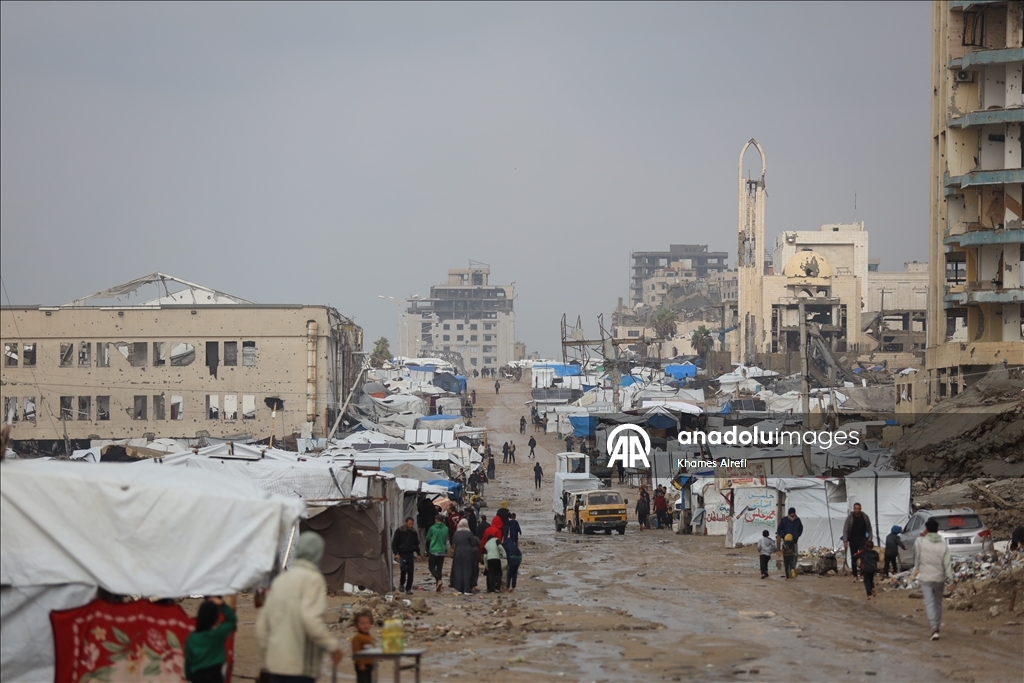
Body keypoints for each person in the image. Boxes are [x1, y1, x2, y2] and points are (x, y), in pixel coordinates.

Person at [255, 532, 343, 682]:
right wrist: (332, 646)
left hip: (276, 666)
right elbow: (310, 619)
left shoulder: (280, 581)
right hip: (300, 668)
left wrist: (269, 655)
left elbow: (262, 626)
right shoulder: (313, 580)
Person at [914, 517, 954, 641]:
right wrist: (950, 579)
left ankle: (933, 628)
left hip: (926, 577)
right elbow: (947, 563)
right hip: (939, 577)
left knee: (929, 603)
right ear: (937, 530)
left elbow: (917, 557)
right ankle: (937, 625)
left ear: (926, 529)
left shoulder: (920, 541)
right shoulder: (942, 542)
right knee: (938, 603)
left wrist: (916, 569)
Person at [185, 597, 237, 683]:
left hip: (197, 676)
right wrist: (222, 604)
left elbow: (188, 661)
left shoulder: (192, 637)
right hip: (214, 675)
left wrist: (189, 676)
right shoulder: (217, 634)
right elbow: (231, 620)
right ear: (215, 618)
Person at [843, 503, 873, 581]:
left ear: (861, 508)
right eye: (856, 508)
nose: (857, 510)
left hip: (862, 540)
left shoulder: (865, 517)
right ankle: (855, 575)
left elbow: (869, 529)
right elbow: (845, 529)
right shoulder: (850, 518)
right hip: (853, 541)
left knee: (863, 557)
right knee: (854, 558)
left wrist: (869, 539)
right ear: (853, 509)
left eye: (858, 508)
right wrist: (845, 541)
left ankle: (862, 574)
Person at [391, 517, 420, 595]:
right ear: (405, 523)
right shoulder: (399, 531)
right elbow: (394, 543)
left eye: (412, 524)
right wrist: (396, 553)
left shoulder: (413, 532)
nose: (411, 525)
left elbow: (416, 544)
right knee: (403, 570)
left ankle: (408, 588)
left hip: (410, 554)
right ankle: (401, 584)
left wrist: (418, 554)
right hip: (402, 554)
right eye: (409, 523)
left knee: (411, 571)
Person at [450, 518, 478, 595]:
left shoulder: (456, 533)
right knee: (467, 571)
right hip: (468, 553)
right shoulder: (469, 533)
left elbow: (453, 543)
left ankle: (459, 589)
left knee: (458, 571)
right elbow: (474, 544)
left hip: (458, 553)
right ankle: (466, 589)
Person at [425, 515, 450, 592]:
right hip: (442, 550)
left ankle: (439, 580)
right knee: (439, 569)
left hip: (434, 550)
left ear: (436, 520)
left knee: (431, 567)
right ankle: (438, 585)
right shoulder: (446, 528)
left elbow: (427, 538)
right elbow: (447, 538)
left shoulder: (432, 528)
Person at [350, 609, 375, 683]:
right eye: (362, 624)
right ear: (356, 625)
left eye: (367, 623)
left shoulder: (369, 637)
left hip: (369, 664)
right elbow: (357, 652)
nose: (365, 626)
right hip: (362, 665)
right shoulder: (358, 638)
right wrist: (361, 664)